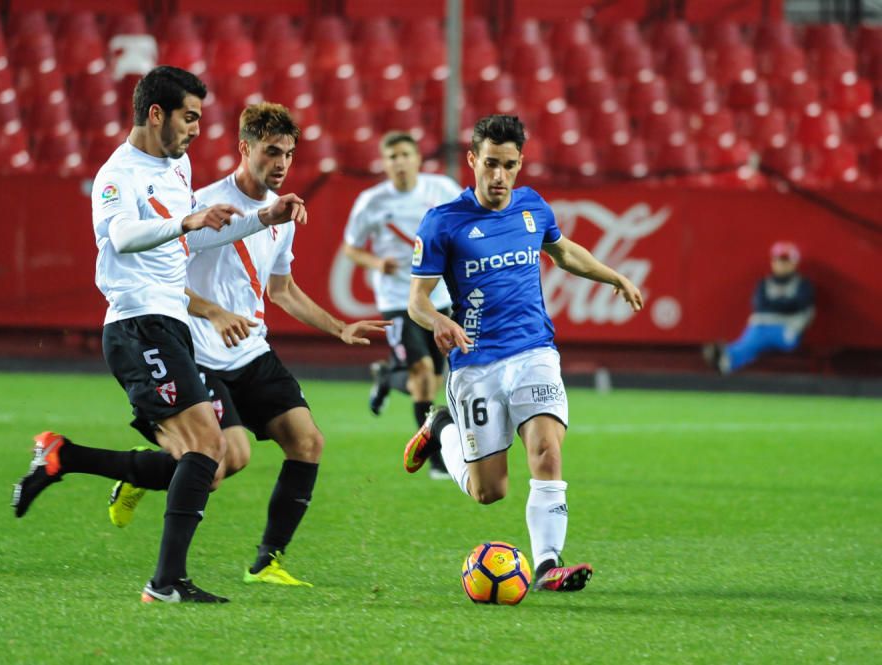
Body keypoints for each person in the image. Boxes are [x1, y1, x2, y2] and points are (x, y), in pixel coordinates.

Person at [10, 67, 305, 604]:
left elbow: (199, 232)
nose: (195, 129)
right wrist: (185, 223)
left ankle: (63, 457)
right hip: (136, 323)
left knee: (207, 459)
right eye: (188, 117)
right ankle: (165, 582)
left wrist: (265, 218)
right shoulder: (117, 175)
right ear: (156, 113)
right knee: (208, 449)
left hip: (170, 325)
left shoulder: (176, 167)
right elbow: (122, 237)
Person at [107, 102, 389, 587]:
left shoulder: (280, 215)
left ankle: (266, 561)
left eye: (289, 154)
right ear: (244, 148)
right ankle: (141, 474)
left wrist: (337, 328)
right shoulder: (203, 205)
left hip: (251, 351)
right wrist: (214, 312)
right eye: (271, 151)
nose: (281, 163)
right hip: (199, 351)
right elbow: (164, 276)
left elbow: (281, 289)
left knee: (307, 442)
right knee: (221, 462)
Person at [401, 115, 644, 592]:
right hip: (476, 364)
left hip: (534, 350)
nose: (498, 176)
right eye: (489, 163)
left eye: (508, 165)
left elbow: (564, 252)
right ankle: (441, 428)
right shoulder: (443, 222)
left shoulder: (532, 206)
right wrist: (440, 320)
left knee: (547, 452)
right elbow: (416, 301)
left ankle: (548, 563)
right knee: (488, 491)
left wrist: (614, 275)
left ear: (519, 164)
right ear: (472, 160)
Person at [341, 132, 462, 479]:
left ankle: (387, 376)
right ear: (385, 162)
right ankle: (437, 458)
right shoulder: (372, 201)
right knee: (423, 374)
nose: (399, 161)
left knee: (433, 379)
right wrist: (377, 264)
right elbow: (351, 247)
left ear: (417, 159)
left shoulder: (441, 189)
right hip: (397, 300)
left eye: (405, 154)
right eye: (392, 156)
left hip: (439, 298)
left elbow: (465, 223)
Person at [704, 241, 815, 374]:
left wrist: (775, 304)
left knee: (756, 340)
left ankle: (728, 356)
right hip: (761, 324)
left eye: (786, 261)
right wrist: (785, 303)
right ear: (773, 262)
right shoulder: (764, 283)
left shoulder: (802, 284)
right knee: (753, 339)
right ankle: (727, 360)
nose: (782, 264)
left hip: (788, 329)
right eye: (779, 260)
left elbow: (800, 305)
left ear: (794, 263)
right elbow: (760, 305)